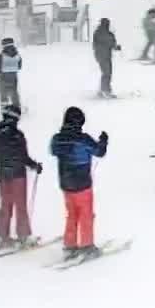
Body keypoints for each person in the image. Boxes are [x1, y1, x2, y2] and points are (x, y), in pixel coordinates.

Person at [49, 106, 110, 256]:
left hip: (66, 184)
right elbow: (99, 152)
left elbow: (53, 150)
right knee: (86, 214)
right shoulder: (84, 139)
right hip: (82, 184)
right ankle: (87, 245)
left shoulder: (57, 139)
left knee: (72, 214)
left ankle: (70, 245)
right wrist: (103, 141)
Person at [0, 103, 43, 249]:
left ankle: (2, 236)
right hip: (17, 174)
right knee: (20, 205)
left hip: (2, 174)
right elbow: (23, 157)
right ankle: (23, 235)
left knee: (5, 205)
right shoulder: (17, 135)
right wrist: (34, 166)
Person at [92, 18, 120, 97]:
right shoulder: (100, 33)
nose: (107, 25)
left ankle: (103, 89)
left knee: (108, 72)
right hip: (102, 55)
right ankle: (105, 90)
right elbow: (109, 42)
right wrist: (114, 45)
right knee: (107, 73)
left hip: (106, 55)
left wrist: (115, 47)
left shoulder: (104, 33)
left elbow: (111, 43)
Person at [0, 37, 24, 108]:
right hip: (14, 76)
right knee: (14, 93)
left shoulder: (1, 55)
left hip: (3, 76)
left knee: (3, 94)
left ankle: (5, 109)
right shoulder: (17, 55)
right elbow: (19, 66)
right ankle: (17, 107)